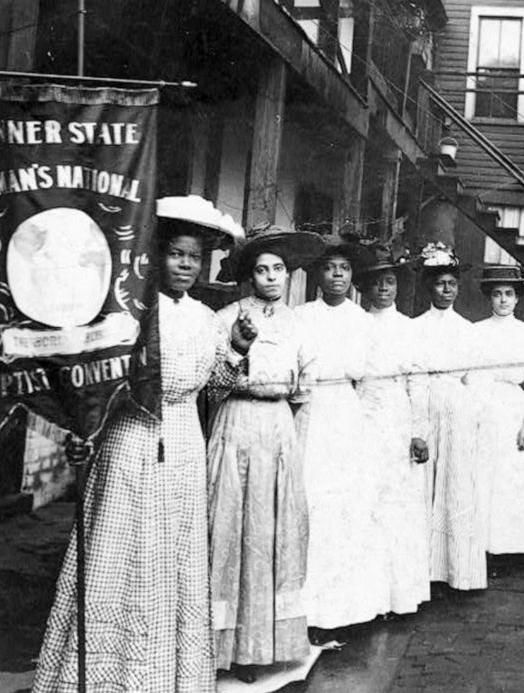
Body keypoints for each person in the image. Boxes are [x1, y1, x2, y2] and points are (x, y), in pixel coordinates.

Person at [33, 195, 249, 692]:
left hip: (184, 443)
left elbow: (216, 386)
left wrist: (238, 346)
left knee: (173, 554)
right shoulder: (130, 311)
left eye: (194, 258)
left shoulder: (205, 318)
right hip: (131, 437)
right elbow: (96, 377)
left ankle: (165, 677)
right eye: (176, 254)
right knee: (120, 545)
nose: (185, 265)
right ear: (158, 255)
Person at [207, 224, 325, 681]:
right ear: (249, 276)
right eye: (262, 270)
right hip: (236, 421)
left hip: (278, 428)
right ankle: (226, 645)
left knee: (270, 530)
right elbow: (215, 382)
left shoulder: (299, 325)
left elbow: (306, 391)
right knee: (231, 527)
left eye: (278, 269)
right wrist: (240, 348)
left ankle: (265, 646)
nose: (271, 278)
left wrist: (293, 448)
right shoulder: (227, 318)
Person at [294, 236, 389, 636]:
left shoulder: (364, 321)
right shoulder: (299, 317)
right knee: (311, 502)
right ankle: (306, 609)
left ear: (352, 277)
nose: (337, 275)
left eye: (344, 269)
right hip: (310, 413)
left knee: (348, 506)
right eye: (330, 267)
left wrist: (364, 429)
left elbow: (372, 382)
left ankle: (347, 609)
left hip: (347, 416)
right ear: (317, 273)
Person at [355, 244, 431, 616]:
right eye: (377, 284)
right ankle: (368, 597)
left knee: (397, 502)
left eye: (389, 282)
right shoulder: (357, 323)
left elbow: (418, 380)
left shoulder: (409, 329)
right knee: (366, 501)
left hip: (397, 415)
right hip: (364, 413)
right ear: (366, 289)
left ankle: (398, 595)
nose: (383, 289)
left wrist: (419, 430)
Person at [413, 242, 488, 591]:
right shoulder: (416, 327)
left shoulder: (468, 331)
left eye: (452, 284)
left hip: (458, 407)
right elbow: (414, 376)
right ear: (430, 286)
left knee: (457, 485)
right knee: (423, 483)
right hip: (426, 403)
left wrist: (472, 413)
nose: (446, 289)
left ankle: (456, 569)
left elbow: (477, 379)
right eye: (440, 283)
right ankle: (423, 571)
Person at [471, 265, 524, 561]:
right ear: (489, 298)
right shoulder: (477, 332)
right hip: (486, 405)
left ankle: (518, 548)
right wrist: (477, 414)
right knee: (486, 475)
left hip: (515, 408)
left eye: (509, 294)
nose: (503, 300)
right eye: (497, 294)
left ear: (517, 299)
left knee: (516, 478)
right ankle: (485, 547)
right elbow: (472, 377)